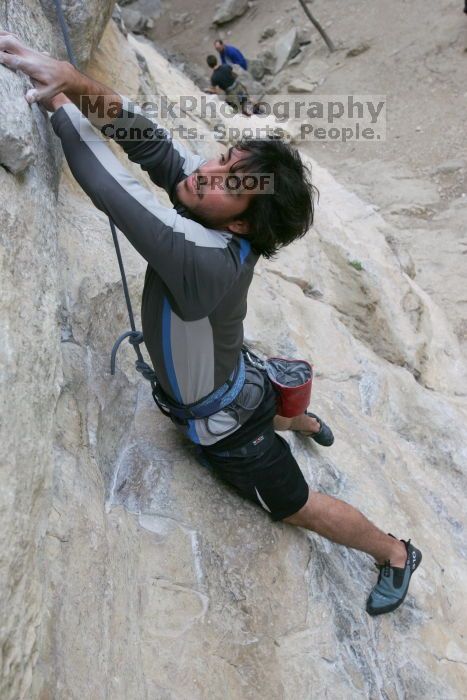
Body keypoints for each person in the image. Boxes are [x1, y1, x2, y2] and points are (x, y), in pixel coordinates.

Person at [0, 31, 422, 616]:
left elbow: (110, 186)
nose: (206, 171)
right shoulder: (216, 210)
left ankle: (396, 551)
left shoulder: (199, 256)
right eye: (223, 160)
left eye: (226, 178)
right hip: (234, 375)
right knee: (247, 384)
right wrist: (71, 79)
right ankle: (300, 417)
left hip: (228, 428)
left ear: (243, 225)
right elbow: (148, 141)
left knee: (296, 503)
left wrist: (58, 103)